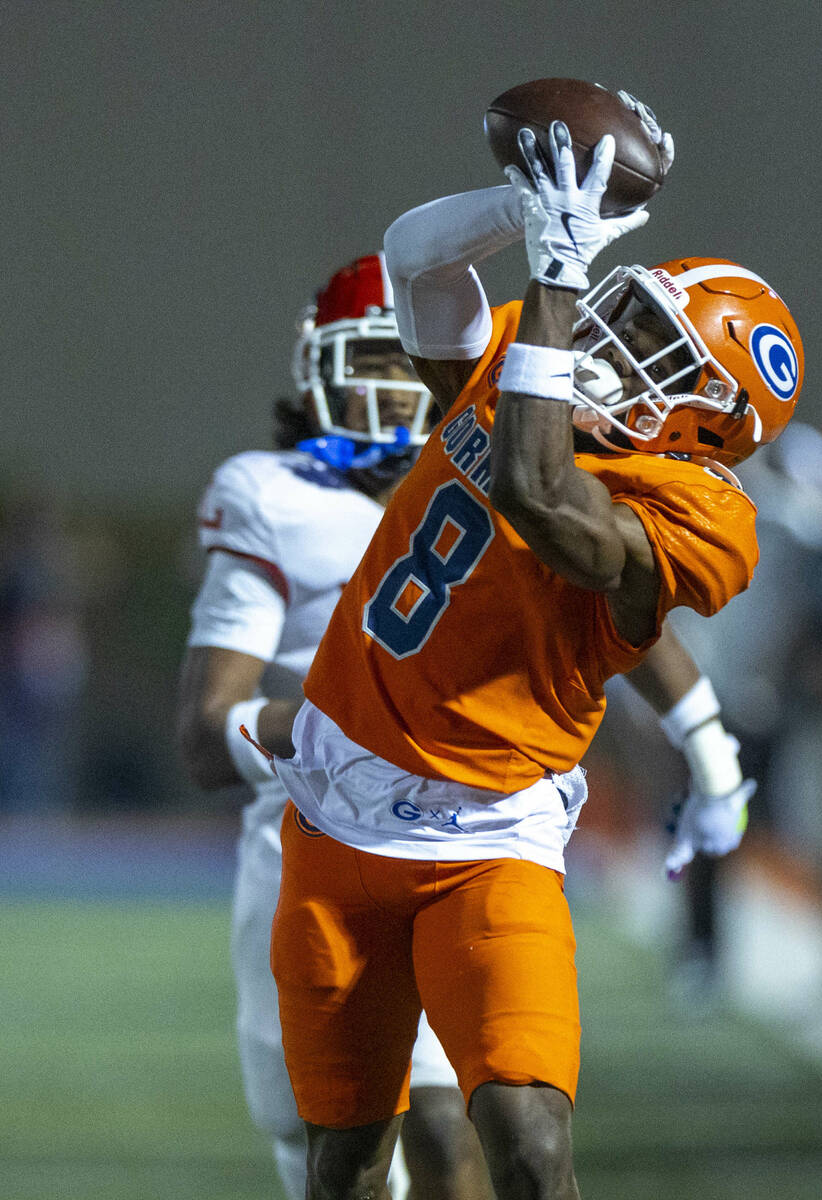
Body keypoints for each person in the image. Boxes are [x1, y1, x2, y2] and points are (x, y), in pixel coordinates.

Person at [267, 101, 803, 1199]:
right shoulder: (532, 348)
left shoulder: (698, 518)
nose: (613, 338)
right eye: (626, 313)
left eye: (656, 348)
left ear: (707, 418)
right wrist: (532, 207)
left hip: (486, 835)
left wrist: (557, 270)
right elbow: (413, 257)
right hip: (335, 819)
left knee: (527, 1143)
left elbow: (536, 489)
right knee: (346, 1167)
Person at [177, 254, 493, 1200]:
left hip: (452, 840)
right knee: (332, 1151)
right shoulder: (271, 495)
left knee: (452, 1122)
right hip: (305, 844)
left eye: (414, 362)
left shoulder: (491, 481)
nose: (399, 385)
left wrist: (700, 732)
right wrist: (334, 724)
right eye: (376, 361)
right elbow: (204, 738)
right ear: (322, 369)